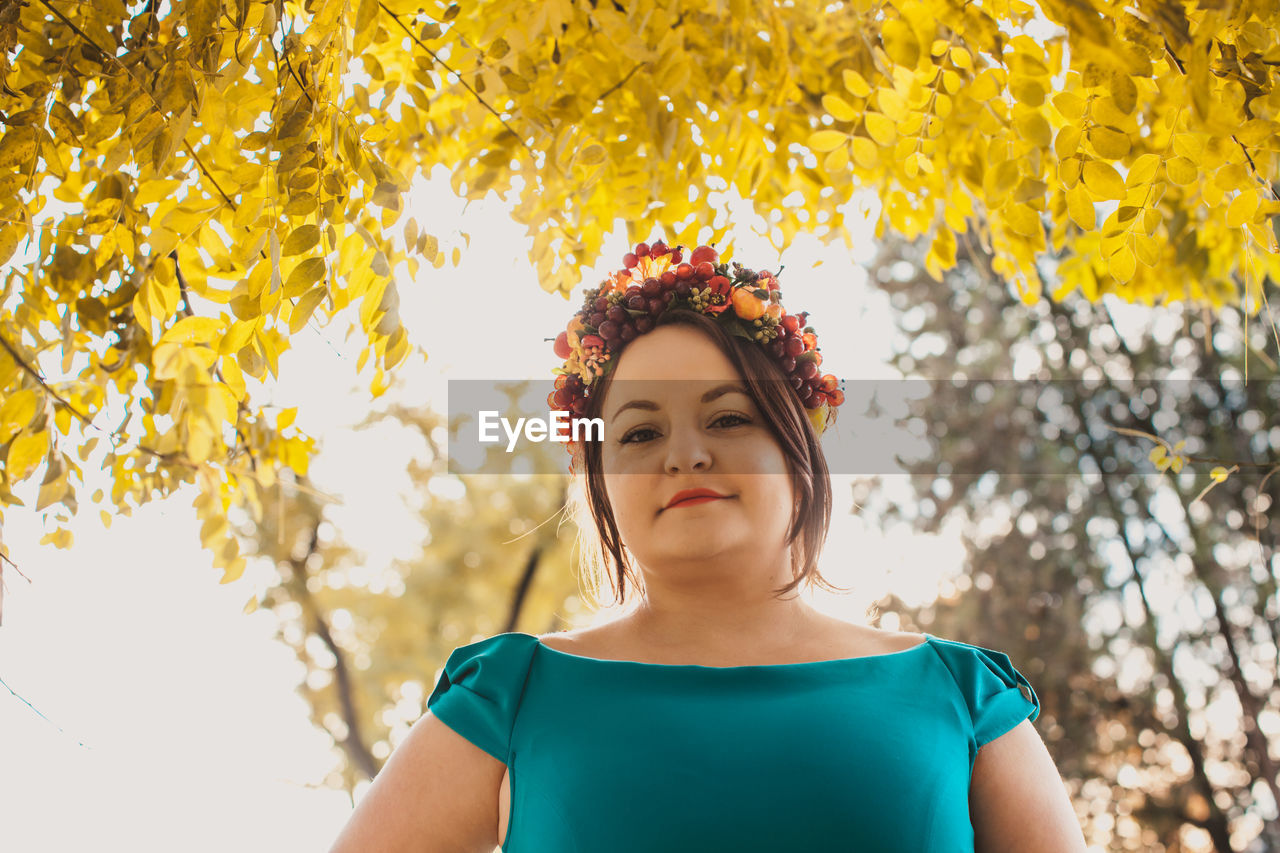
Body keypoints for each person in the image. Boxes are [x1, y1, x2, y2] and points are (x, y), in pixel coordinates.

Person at [326, 239, 1087, 852]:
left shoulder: (964, 699)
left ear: (800, 451)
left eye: (726, 418)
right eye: (639, 432)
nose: (683, 455)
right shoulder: (511, 698)